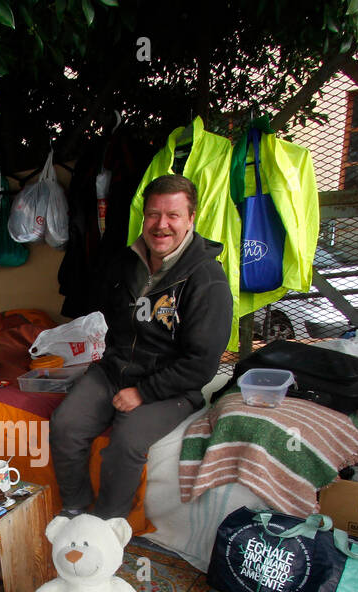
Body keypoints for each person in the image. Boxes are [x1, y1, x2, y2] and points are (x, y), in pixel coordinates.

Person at [49, 174, 233, 519]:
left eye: (173, 215)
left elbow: (202, 364)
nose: (161, 225)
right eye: (153, 214)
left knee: (126, 443)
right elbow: (109, 323)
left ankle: (106, 527)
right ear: (144, 216)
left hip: (171, 387)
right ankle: (74, 510)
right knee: (65, 424)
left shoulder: (207, 280)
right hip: (113, 371)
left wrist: (143, 392)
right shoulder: (125, 263)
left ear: (191, 219)